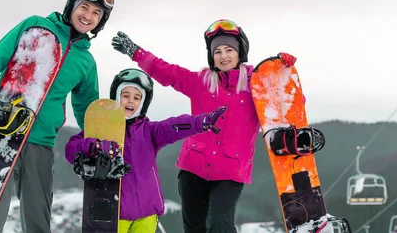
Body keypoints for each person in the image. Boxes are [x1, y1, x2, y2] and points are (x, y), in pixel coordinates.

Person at [111, 19, 299, 233]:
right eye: (217, 51)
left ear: (240, 52)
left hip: (230, 172)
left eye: (229, 50)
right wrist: (136, 52)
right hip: (193, 169)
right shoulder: (202, 82)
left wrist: (282, 71)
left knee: (220, 225)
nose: (223, 56)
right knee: (195, 229)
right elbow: (166, 72)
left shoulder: (256, 84)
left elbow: (285, 102)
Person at [0, 0, 115, 232]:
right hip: (2, 131)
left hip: (41, 143)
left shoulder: (86, 62)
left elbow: (86, 109)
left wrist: (99, 144)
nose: (88, 16)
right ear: (72, 6)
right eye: (84, 7)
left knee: (38, 221)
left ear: (100, 22)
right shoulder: (35, 26)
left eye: (96, 14)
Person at [65, 68, 228, 233]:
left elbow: (174, 126)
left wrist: (201, 122)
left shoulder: (150, 132)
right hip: (114, 213)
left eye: (137, 98)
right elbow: (70, 149)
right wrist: (95, 146)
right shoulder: (101, 130)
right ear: (116, 97)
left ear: (143, 103)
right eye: (125, 95)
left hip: (147, 212)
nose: (130, 101)